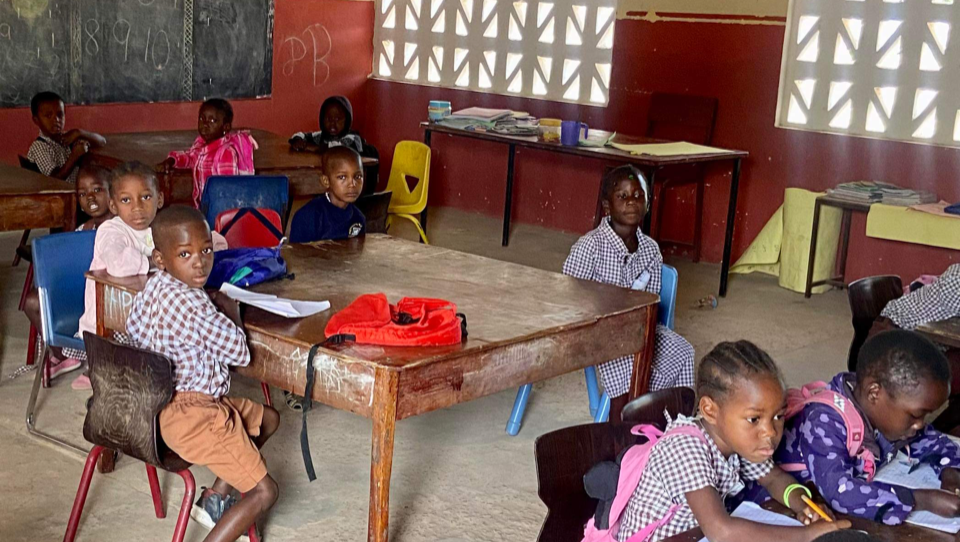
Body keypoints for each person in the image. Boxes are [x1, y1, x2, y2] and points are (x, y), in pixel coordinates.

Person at [126, 206, 279, 542]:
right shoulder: (195, 305)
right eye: (185, 253)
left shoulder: (153, 287)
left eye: (206, 250)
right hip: (194, 415)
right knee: (265, 492)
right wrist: (228, 313)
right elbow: (240, 354)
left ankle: (214, 501)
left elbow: (132, 330)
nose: (199, 262)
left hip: (156, 406)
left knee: (267, 419)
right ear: (161, 257)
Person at [615, 341, 849, 542]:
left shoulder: (734, 438)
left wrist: (804, 505)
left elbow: (774, 478)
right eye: (754, 419)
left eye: (778, 416)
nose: (769, 431)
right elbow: (721, 531)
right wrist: (805, 535)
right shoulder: (685, 448)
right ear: (710, 410)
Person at [775, 330, 960, 525]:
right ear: (874, 394)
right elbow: (841, 493)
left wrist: (950, 471)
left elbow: (933, 441)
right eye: (916, 415)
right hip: (786, 506)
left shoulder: (886, 411)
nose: (920, 424)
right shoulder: (823, 421)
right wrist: (920, 500)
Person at [563, 165, 695, 421]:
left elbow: (651, 300)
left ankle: (675, 427)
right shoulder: (590, 246)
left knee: (682, 350)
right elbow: (567, 294)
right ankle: (621, 435)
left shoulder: (650, 249)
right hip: (596, 330)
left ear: (647, 203)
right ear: (606, 206)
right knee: (628, 365)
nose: (631, 202)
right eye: (622, 196)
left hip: (636, 328)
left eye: (638, 195)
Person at [21, 164, 117, 389]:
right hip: (80, 294)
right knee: (33, 301)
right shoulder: (82, 229)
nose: (89, 197)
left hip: (107, 297)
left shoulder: (120, 228)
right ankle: (62, 355)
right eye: (82, 194)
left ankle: (98, 363)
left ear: (112, 192)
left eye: (97, 190)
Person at [874, 265, 960, 431]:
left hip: (917, 335)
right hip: (894, 337)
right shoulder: (957, 278)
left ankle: (946, 425)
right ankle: (940, 430)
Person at [158, 98, 257, 208]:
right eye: (202, 118)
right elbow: (190, 158)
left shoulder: (225, 152)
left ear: (226, 127)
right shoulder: (200, 143)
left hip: (218, 211)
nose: (205, 124)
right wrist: (172, 160)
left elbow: (228, 191)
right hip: (202, 207)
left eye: (212, 121)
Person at [288, 95, 379, 195]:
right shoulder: (321, 136)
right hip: (334, 185)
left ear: (347, 120)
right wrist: (297, 140)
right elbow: (300, 135)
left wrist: (310, 147)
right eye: (328, 119)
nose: (332, 124)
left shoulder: (353, 138)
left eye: (338, 119)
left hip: (353, 189)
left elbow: (336, 148)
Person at [289, 146, 366, 243]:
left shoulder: (358, 218)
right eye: (342, 177)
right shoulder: (308, 217)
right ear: (326, 181)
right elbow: (297, 255)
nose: (352, 184)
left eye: (358, 176)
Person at [26, 91, 106, 183]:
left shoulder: (68, 137)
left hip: (73, 191)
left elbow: (102, 141)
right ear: (36, 120)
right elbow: (54, 180)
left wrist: (78, 132)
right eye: (48, 116)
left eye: (60, 115)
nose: (56, 120)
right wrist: (74, 156)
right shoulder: (39, 146)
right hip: (55, 195)